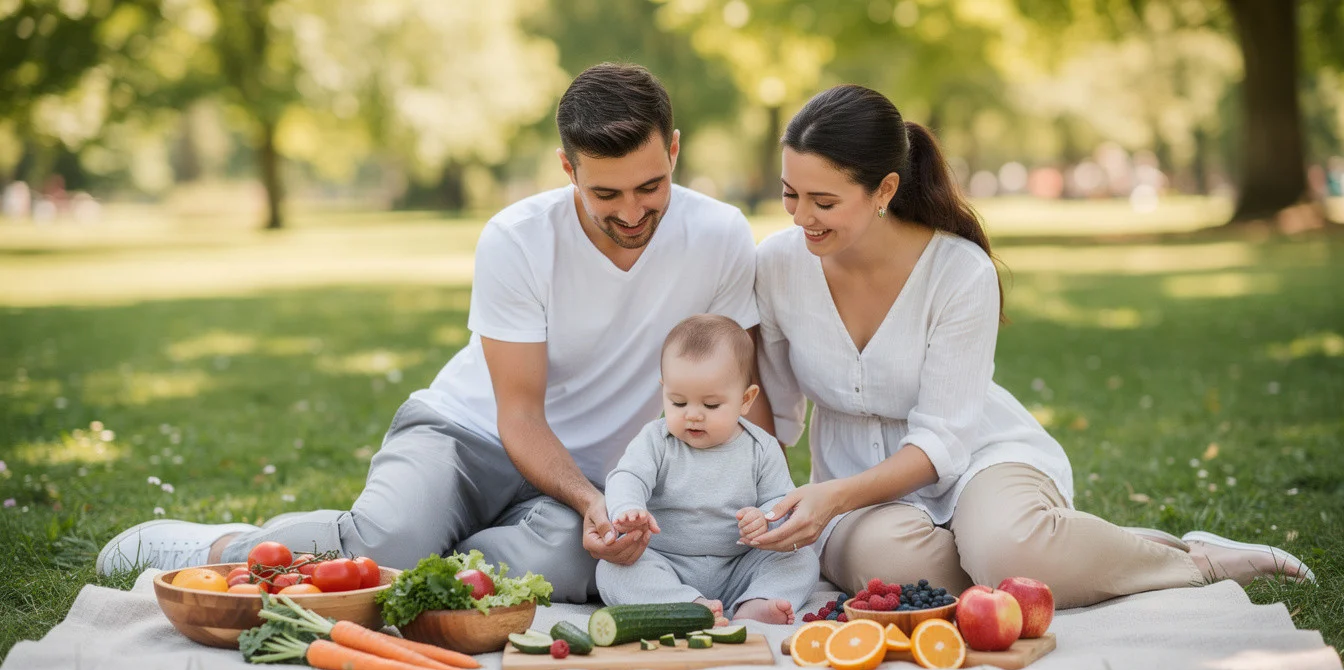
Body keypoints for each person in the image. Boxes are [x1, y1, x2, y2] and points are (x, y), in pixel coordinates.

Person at [97, 63, 763, 603]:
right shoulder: (517, 239)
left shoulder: (721, 236)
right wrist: (592, 500)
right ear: (567, 170)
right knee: (389, 542)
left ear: (674, 150)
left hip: (593, 475)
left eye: (650, 187)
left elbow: (736, 389)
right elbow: (520, 416)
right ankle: (224, 548)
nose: (632, 212)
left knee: (573, 570)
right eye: (605, 194)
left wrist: (642, 505)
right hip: (467, 433)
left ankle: (410, 549)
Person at [746, 85, 1315, 608]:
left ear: (884, 190)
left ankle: (1193, 561)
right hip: (859, 490)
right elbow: (774, 410)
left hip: (976, 459)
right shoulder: (777, 265)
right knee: (896, 571)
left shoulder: (959, 271)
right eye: (790, 195)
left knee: (1007, 550)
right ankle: (1061, 551)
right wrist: (777, 498)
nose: (801, 218)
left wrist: (833, 498)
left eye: (822, 201)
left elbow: (944, 439)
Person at [597, 315, 818, 624]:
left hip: (739, 566)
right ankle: (685, 605)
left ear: (745, 400)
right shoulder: (656, 440)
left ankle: (755, 602)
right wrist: (629, 507)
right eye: (677, 402)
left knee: (802, 559)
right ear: (664, 391)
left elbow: (781, 499)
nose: (693, 416)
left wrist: (765, 519)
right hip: (666, 563)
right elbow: (627, 477)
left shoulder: (761, 447)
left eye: (711, 405)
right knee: (612, 571)